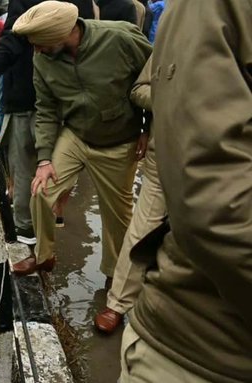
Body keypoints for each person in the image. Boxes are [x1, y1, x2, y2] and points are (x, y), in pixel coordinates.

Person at [120, 1, 252, 381]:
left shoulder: (124, 33)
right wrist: (164, 100)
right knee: (143, 222)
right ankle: (120, 300)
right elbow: (142, 85)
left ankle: (123, 291)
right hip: (205, 348)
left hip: (162, 136)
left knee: (125, 218)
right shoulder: (207, 12)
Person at [12, 1, 151, 277]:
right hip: (75, 135)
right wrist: (44, 159)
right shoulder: (42, 59)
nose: (36, 50)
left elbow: (156, 79)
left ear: (61, 33)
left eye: (40, 43)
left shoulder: (120, 38)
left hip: (120, 140)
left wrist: (149, 128)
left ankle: (116, 279)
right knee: (41, 191)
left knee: (118, 219)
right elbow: (47, 109)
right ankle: (44, 256)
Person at [0, 0, 96, 249]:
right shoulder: (20, 12)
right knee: (22, 175)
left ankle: (49, 236)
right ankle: (27, 242)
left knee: (59, 173)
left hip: (64, 101)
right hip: (24, 98)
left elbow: (86, 38)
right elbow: (12, 40)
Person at [94, 55, 166, 333]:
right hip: (166, 155)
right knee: (143, 226)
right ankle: (117, 303)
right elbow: (139, 90)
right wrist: (176, 96)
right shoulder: (173, 35)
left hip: (228, 163)